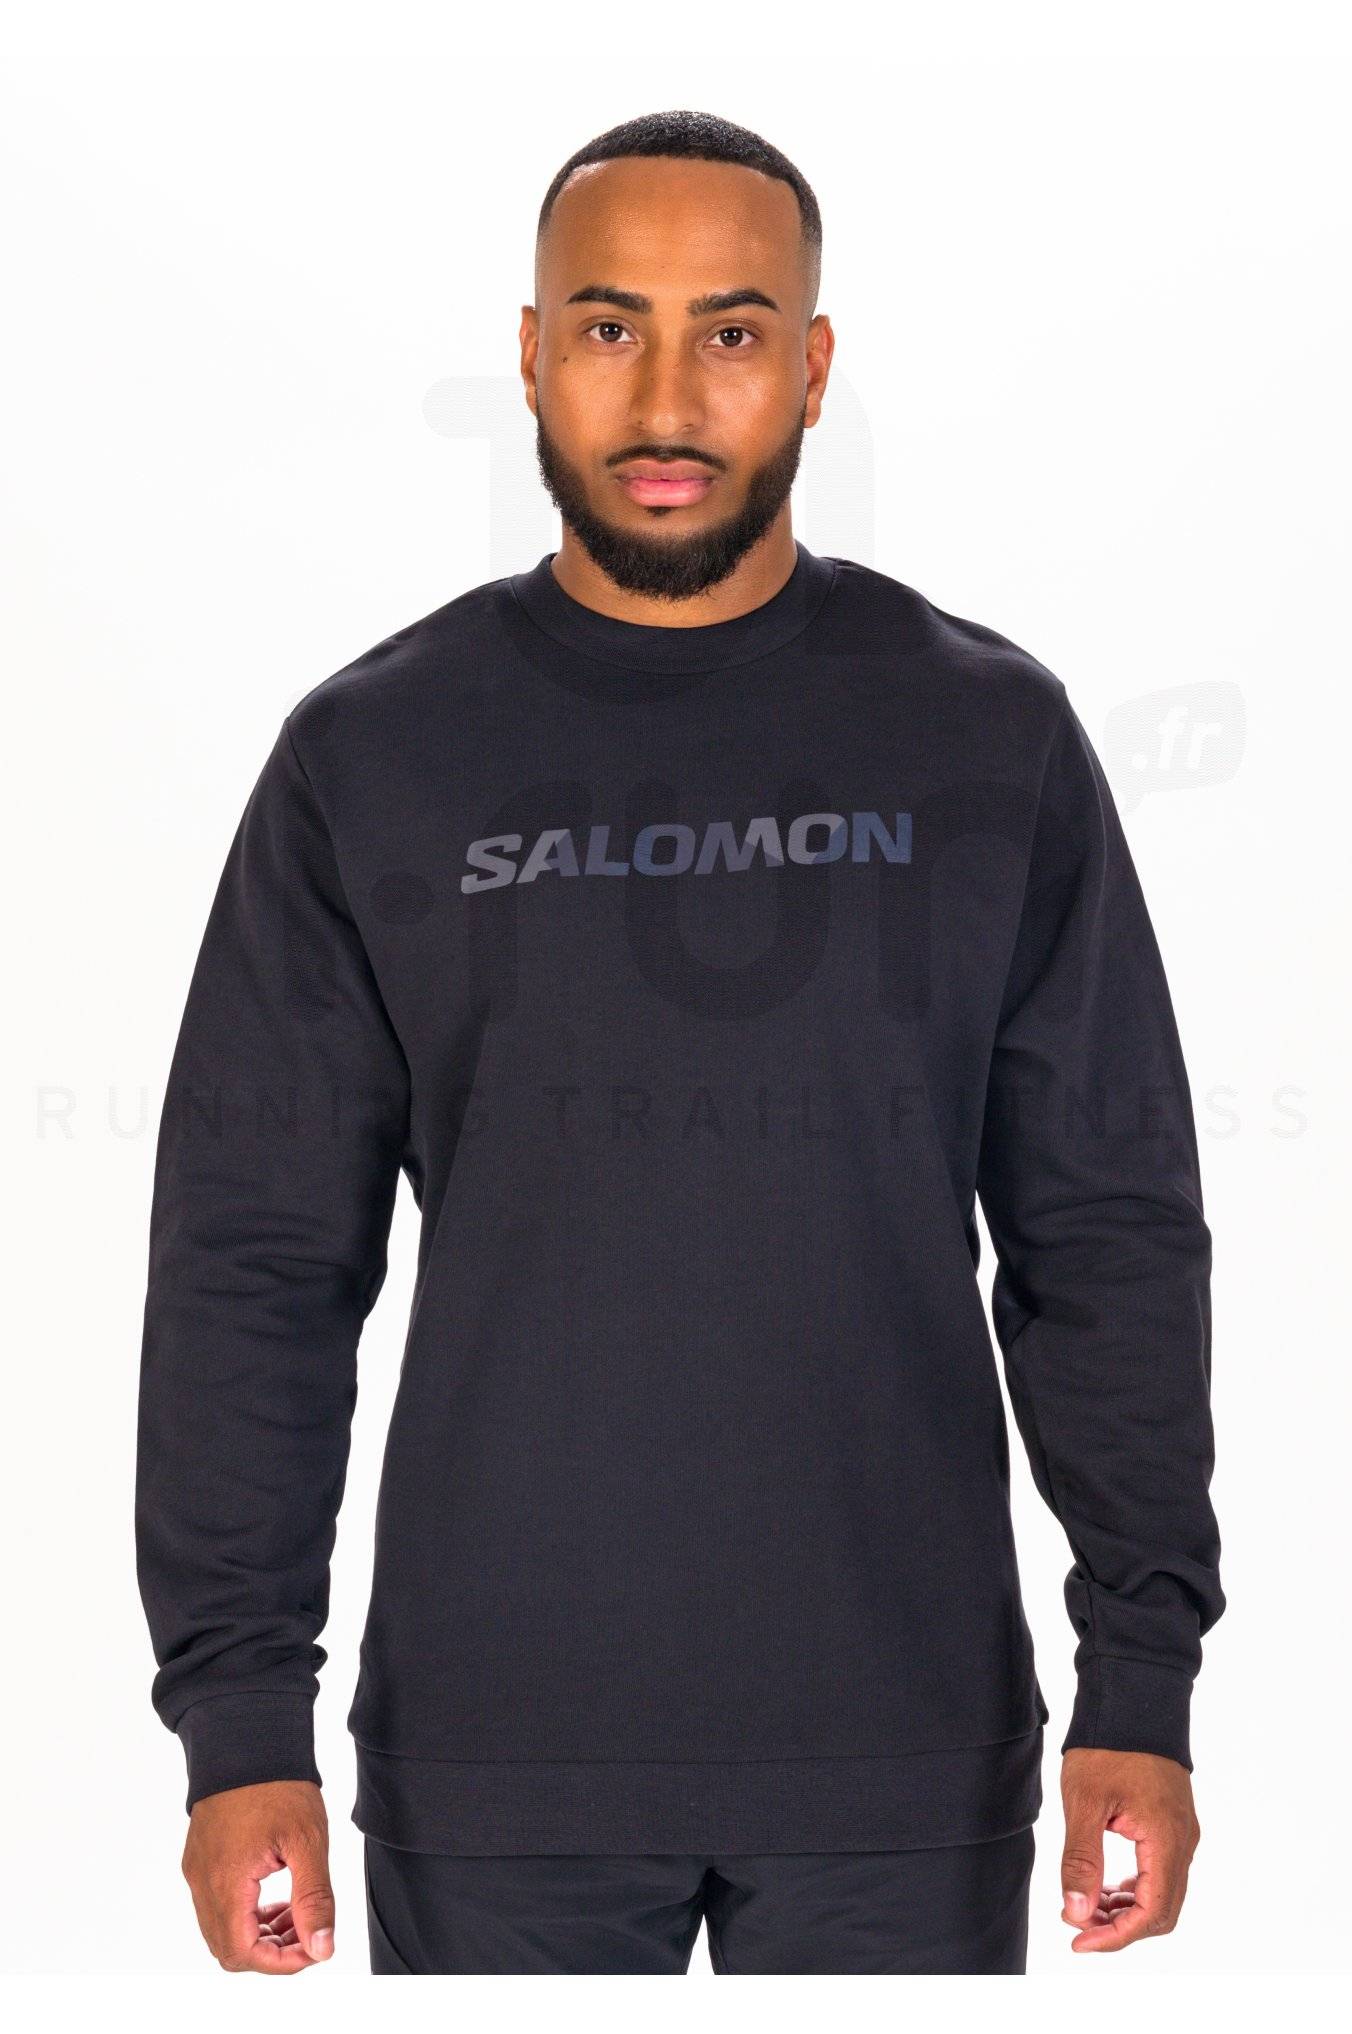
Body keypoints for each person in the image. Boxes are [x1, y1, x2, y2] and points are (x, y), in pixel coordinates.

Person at [135, 108, 1225, 1976]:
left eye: (729, 330)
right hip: (499, 1754)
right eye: (607, 324)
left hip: (903, 1749)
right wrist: (240, 1724)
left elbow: (1105, 1234)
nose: (664, 397)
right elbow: (254, 1265)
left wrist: (1143, 1674)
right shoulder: (372, 755)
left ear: (813, 366)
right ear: (531, 353)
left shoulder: (989, 737)